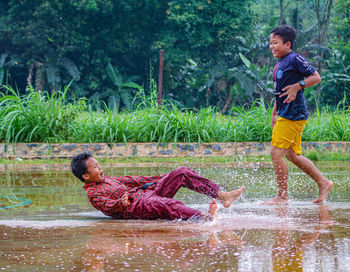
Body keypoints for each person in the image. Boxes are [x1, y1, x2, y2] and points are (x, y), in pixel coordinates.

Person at [264, 25, 333, 205]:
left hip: (293, 115)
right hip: (285, 114)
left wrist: (298, 85)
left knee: (275, 153)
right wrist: (273, 113)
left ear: (287, 44)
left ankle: (282, 196)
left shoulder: (295, 59)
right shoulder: (280, 63)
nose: (272, 46)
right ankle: (323, 183)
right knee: (292, 155)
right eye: (270, 43)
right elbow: (279, 93)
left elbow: (316, 77)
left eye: (275, 43)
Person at [71, 152, 245, 220]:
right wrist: (119, 203)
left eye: (99, 165)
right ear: (86, 176)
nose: (100, 168)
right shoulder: (93, 193)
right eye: (95, 167)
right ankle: (205, 218)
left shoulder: (109, 180)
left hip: (148, 193)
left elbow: (137, 179)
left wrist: (166, 177)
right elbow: (105, 206)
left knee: (181, 172)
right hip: (136, 206)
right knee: (169, 205)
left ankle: (223, 196)